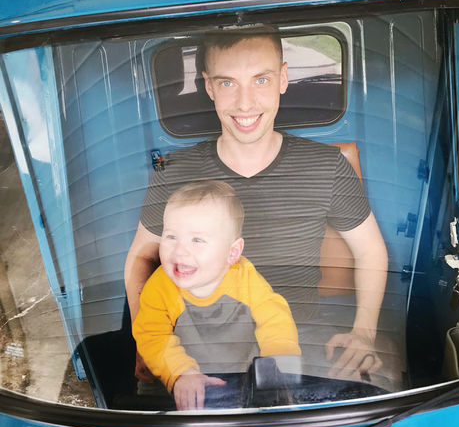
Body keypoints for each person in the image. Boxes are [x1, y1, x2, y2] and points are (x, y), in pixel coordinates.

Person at [125, 25, 388, 384]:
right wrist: (146, 343)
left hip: (302, 350)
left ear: (283, 78)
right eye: (228, 82)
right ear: (209, 86)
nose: (245, 103)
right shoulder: (175, 172)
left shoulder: (326, 167)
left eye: (261, 80)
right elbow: (141, 256)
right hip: (196, 362)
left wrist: (364, 333)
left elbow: (371, 249)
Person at [132, 180, 301, 409]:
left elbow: (275, 317)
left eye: (197, 240)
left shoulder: (244, 278)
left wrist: (277, 360)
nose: (180, 250)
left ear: (232, 253)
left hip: (236, 377)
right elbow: (152, 335)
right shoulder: (160, 285)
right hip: (178, 381)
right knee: (149, 396)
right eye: (171, 236)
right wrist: (181, 372)